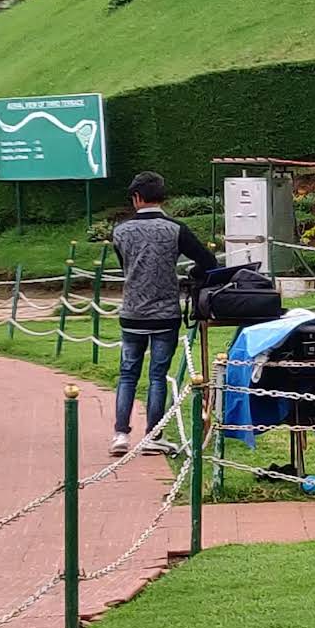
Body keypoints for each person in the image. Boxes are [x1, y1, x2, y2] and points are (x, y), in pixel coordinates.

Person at [110, 171, 217, 456]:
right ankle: (153, 435)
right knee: (158, 376)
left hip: (132, 311)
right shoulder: (175, 229)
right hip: (165, 313)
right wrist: (191, 274)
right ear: (162, 197)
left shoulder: (119, 232)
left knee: (127, 374)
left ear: (136, 198)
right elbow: (208, 262)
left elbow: (125, 267)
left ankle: (120, 434)